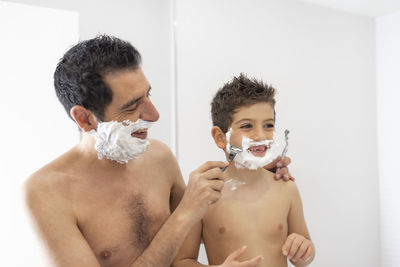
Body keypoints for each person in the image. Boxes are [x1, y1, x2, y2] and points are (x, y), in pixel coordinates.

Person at [24, 35, 293, 267]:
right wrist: (184, 214)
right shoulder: (47, 192)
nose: (153, 115)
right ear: (85, 119)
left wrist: (253, 174)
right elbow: (188, 215)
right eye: (132, 106)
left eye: (148, 95)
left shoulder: (160, 157)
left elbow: (204, 226)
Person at [173, 74, 315, 267]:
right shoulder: (205, 196)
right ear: (220, 138)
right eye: (247, 126)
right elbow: (181, 261)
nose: (260, 135)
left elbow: (305, 254)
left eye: (268, 125)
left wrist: (304, 251)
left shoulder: (286, 189)